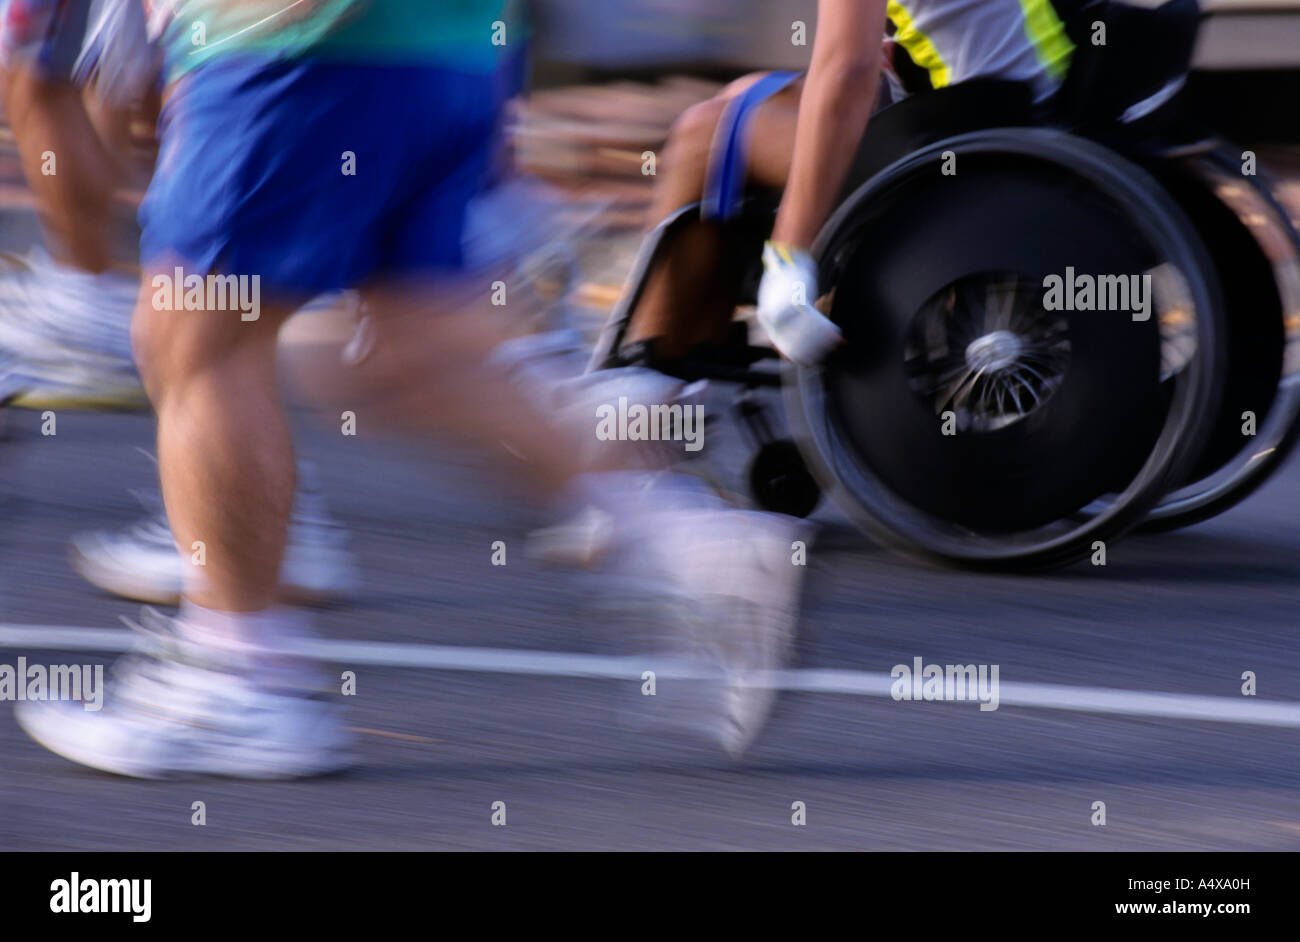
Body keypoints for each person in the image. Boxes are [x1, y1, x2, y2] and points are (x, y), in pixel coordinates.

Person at [16, 0, 808, 778]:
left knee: (197, 332)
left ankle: (239, 677)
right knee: (402, 352)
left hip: (298, 36)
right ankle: (681, 541)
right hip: (449, 42)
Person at [615, 0, 1079, 369]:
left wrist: (789, 257)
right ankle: (688, 364)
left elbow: (845, 72)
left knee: (709, 134)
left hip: (974, 138)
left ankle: (649, 385)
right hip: (1031, 102)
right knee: (751, 94)